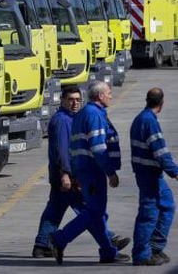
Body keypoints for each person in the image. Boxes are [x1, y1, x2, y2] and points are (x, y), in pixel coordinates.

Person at [32, 85, 130, 258]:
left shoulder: (75, 117)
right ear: (62, 100)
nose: (75, 103)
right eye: (71, 100)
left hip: (73, 174)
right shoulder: (63, 120)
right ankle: (107, 242)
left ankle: (42, 245)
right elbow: (62, 149)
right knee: (90, 211)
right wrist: (65, 174)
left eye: (78, 100)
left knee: (57, 210)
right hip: (70, 176)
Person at [130, 88, 178, 266]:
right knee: (148, 214)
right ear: (161, 103)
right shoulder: (148, 121)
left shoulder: (142, 118)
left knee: (167, 206)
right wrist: (175, 171)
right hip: (148, 174)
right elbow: (160, 151)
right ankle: (142, 254)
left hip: (152, 174)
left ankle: (155, 246)